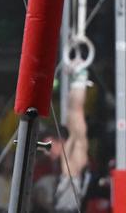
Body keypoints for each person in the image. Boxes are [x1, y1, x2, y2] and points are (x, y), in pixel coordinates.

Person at [34, 70, 92, 212]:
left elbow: (77, 112)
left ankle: (79, 79)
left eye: (49, 147)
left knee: (75, 114)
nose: (47, 153)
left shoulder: (73, 155)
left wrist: (78, 83)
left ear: (60, 141)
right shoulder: (57, 163)